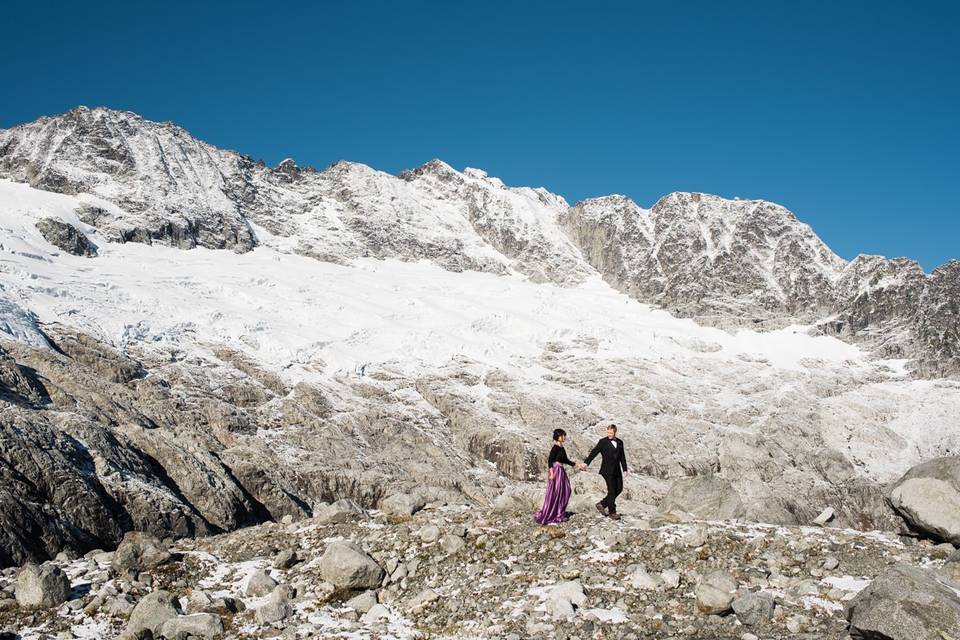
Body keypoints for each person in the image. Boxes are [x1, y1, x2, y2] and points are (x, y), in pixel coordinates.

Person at [578, 424, 628, 520]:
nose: (609, 434)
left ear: (615, 432)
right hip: (606, 470)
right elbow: (594, 452)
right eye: (608, 432)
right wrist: (586, 463)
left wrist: (625, 469)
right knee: (612, 491)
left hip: (617, 470)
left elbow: (622, 456)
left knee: (619, 489)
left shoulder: (620, 442)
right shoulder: (603, 442)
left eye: (611, 432)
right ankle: (612, 512)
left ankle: (602, 504)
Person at [534, 428, 575, 525]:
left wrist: (576, 465)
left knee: (566, 491)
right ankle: (557, 515)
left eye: (564, 435)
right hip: (556, 471)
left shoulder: (561, 448)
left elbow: (565, 460)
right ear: (558, 437)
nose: (564, 437)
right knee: (557, 493)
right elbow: (550, 461)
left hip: (561, 471)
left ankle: (559, 513)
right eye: (562, 435)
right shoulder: (555, 448)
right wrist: (552, 474)